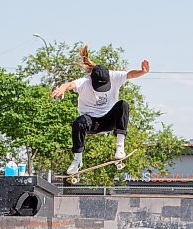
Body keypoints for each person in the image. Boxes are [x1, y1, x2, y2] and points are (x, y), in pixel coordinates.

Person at [51, 45, 150, 174]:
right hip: (91, 123)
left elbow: (130, 74)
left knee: (123, 105)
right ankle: (77, 160)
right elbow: (69, 85)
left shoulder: (114, 76)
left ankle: (120, 147)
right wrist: (62, 89)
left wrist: (142, 72)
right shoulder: (84, 81)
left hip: (109, 119)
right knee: (78, 123)